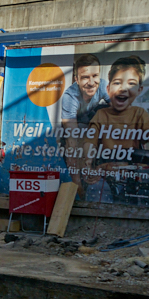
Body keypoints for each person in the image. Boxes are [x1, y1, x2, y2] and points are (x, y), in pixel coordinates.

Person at [84, 55, 149, 187]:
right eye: (117, 83)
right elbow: (90, 142)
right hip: (107, 175)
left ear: (139, 90)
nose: (123, 88)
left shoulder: (139, 114)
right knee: (93, 187)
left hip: (134, 174)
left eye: (131, 84)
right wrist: (89, 162)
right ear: (108, 89)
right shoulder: (101, 115)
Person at [59, 54, 108, 196]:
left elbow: (121, 113)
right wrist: (77, 186)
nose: (92, 82)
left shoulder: (104, 85)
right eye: (85, 77)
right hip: (76, 127)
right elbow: (71, 141)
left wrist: (101, 166)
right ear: (77, 80)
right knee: (72, 147)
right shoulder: (70, 97)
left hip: (92, 123)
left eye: (95, 76)